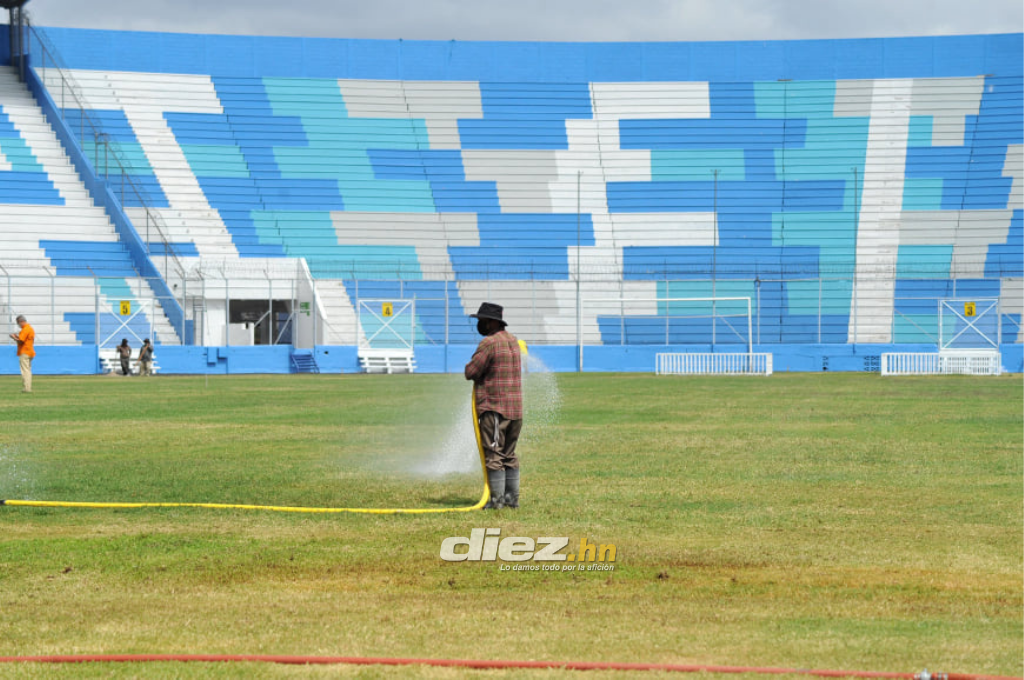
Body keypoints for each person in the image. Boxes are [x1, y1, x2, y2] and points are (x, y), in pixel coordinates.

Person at [464, 302, 524, 510]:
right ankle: (512, 499)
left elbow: (471, 371)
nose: (479, 324)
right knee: (509, 453)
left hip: (495, 408)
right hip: (516, 410)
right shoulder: (513, 341)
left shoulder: (489, 343)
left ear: (491, 322)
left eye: (481, 321)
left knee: (494, 454)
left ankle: (497, 500)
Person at [9, 315, 35, 393]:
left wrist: (13, 337)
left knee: (25, 371)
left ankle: (27, 388)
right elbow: (22, 339)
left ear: (21, 322)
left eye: (18, 323)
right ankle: (28, 387)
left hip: (25, 351)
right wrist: (17, 337)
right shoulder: (30, 328)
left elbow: (21, 341)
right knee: (28, 370)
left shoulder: (25, 329)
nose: (18, 325)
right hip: (30, 351)